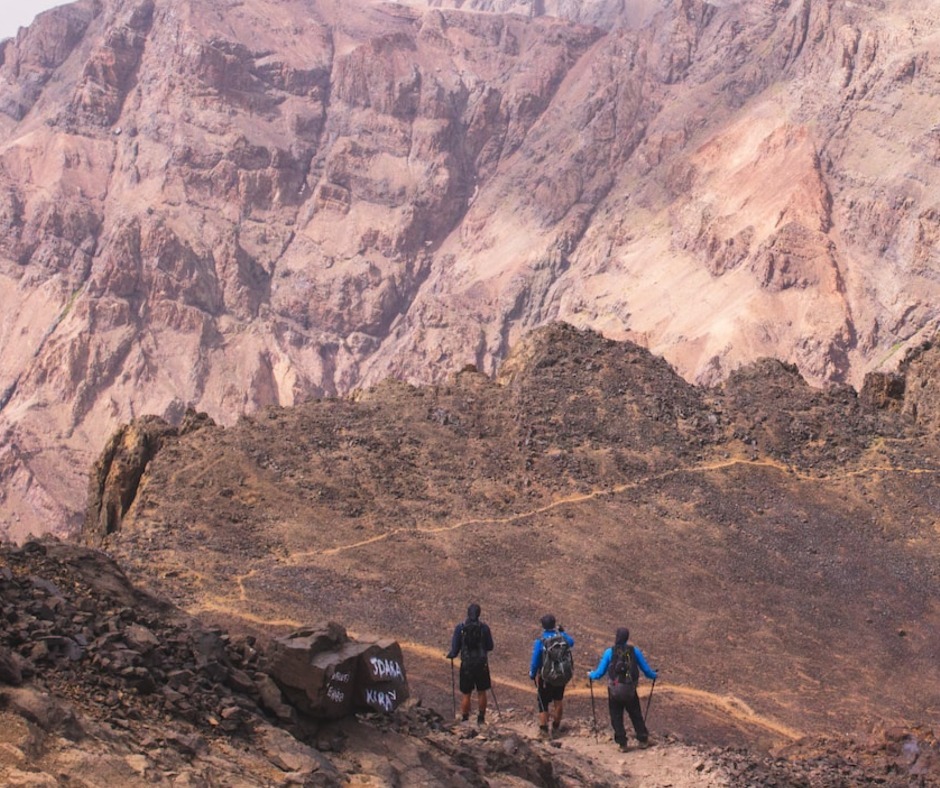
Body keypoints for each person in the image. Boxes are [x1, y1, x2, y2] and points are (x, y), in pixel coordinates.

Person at [587, 627, 657, 750]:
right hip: (630, 690)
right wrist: (654, 675)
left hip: (614, 691)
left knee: (616, 716)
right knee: (635, 714)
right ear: (627, 637)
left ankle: (622, 743)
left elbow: (599, 673)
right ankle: (643, 739)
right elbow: (646, 671)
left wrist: (590, 674)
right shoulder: (634, 651)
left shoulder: (609, 652)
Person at [446, 603, 494, 724]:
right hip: (481, 664)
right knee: (482, 691)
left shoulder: (460, 628)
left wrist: (451, 655)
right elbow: (490, 646)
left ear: (468, 613)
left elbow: (455, 649)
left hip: (467, 665)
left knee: (466, 693)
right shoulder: (484, 628)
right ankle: (481, 718)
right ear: (479, 614)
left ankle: (465, 718)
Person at [528, 613, 575, 736]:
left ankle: (543, 731)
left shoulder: (541, 641)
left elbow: (535, 659)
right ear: (554, 624)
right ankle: (556, 727)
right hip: (561, 675)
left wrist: (532, 673)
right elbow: (571, 642)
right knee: (558, 700)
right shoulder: (563, 638)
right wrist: (562, 632)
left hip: (546, 677)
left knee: (543, 703)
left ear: (543, 626)